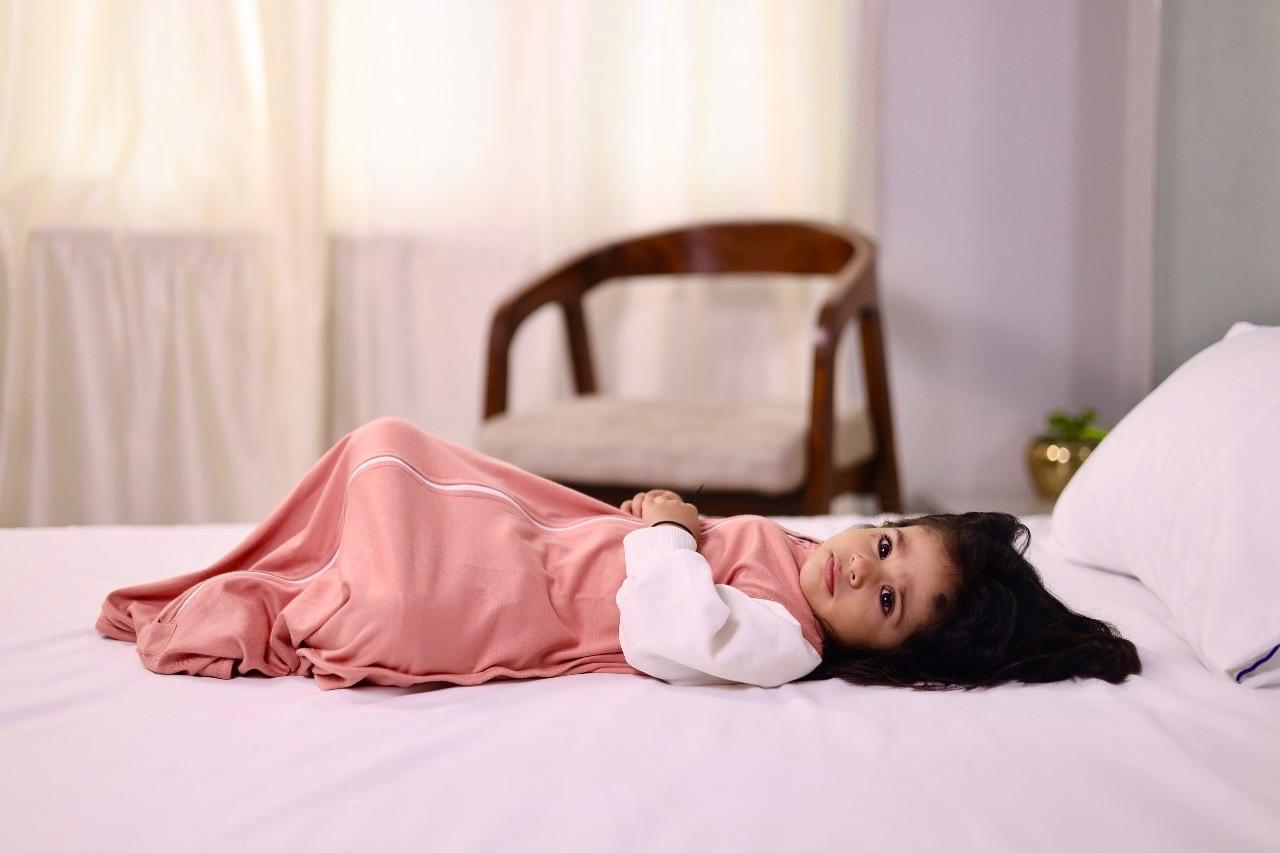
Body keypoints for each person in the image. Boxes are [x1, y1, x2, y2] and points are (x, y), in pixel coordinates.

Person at [96, 416, 1140, 691]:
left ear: (882, 653)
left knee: (397, 591)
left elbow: (669, 630)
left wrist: (669, 535)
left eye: (887, 600)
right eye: (880, 545)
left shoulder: (782, 642)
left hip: (535, 597)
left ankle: (282, 602)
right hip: (558, 544)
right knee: (388, 448)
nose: (858, 570)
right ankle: (305, 567)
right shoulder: (799, 558)